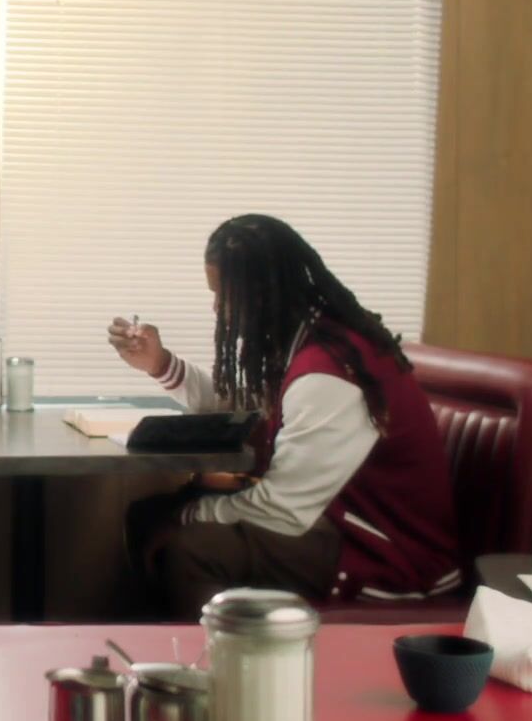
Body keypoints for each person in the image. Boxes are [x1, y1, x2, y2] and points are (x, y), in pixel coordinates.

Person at [108, 214, 460, 618]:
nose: (217, 308)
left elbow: (282, 509)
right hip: (333, 519)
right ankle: (174, 650)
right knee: (146, 516)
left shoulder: (329, 372)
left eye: (224, 295)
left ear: (263, 293)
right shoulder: (307, 337)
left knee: (191, 548)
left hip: (393, 559)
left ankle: (218, 658)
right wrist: (161, 365)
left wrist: (185, 515)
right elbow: (243, 410)